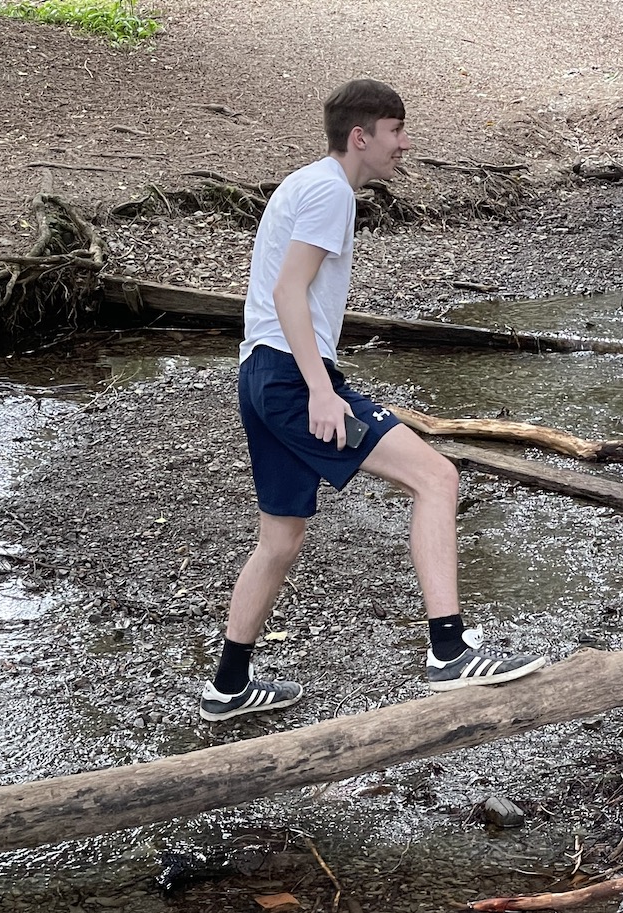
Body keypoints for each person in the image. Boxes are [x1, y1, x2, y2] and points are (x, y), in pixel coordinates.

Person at [199, 78, 547, 722]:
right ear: (361, 137)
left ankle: (227, 687)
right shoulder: (331, 191)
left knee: (279, 540)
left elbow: (281, 295)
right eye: (396, 132)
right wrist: (323, 391)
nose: (404, 146)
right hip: (290, 379)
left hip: (261, 375)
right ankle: (450, 651)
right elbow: (288, 294)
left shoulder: (307, 183)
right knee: (437, 477)